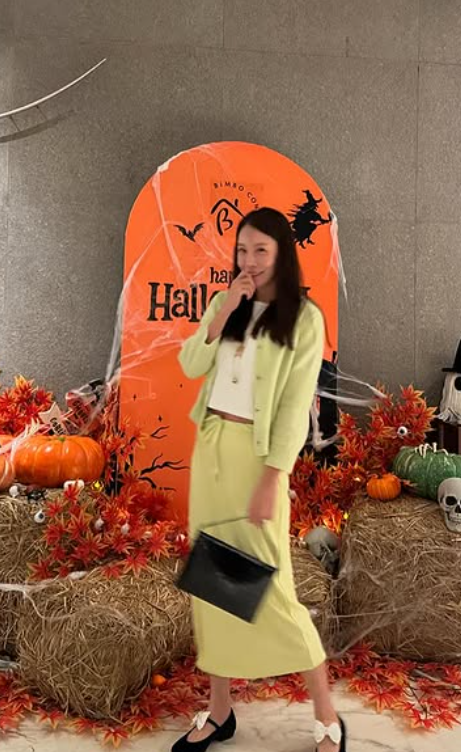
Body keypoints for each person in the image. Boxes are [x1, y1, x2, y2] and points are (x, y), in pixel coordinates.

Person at [175, 208, 346, 752]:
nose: (249, 261)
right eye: (242, 250)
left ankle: (326, 715)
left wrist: (274, 477)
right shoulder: (225, 303)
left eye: (261, 251)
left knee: (271, 586)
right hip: (212, 450)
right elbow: (189, 364)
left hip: (258, 459)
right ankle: (220, 711)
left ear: (281, 255)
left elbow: (296, 407)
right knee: (212, 583)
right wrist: (226, 309)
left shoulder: (304, 318)